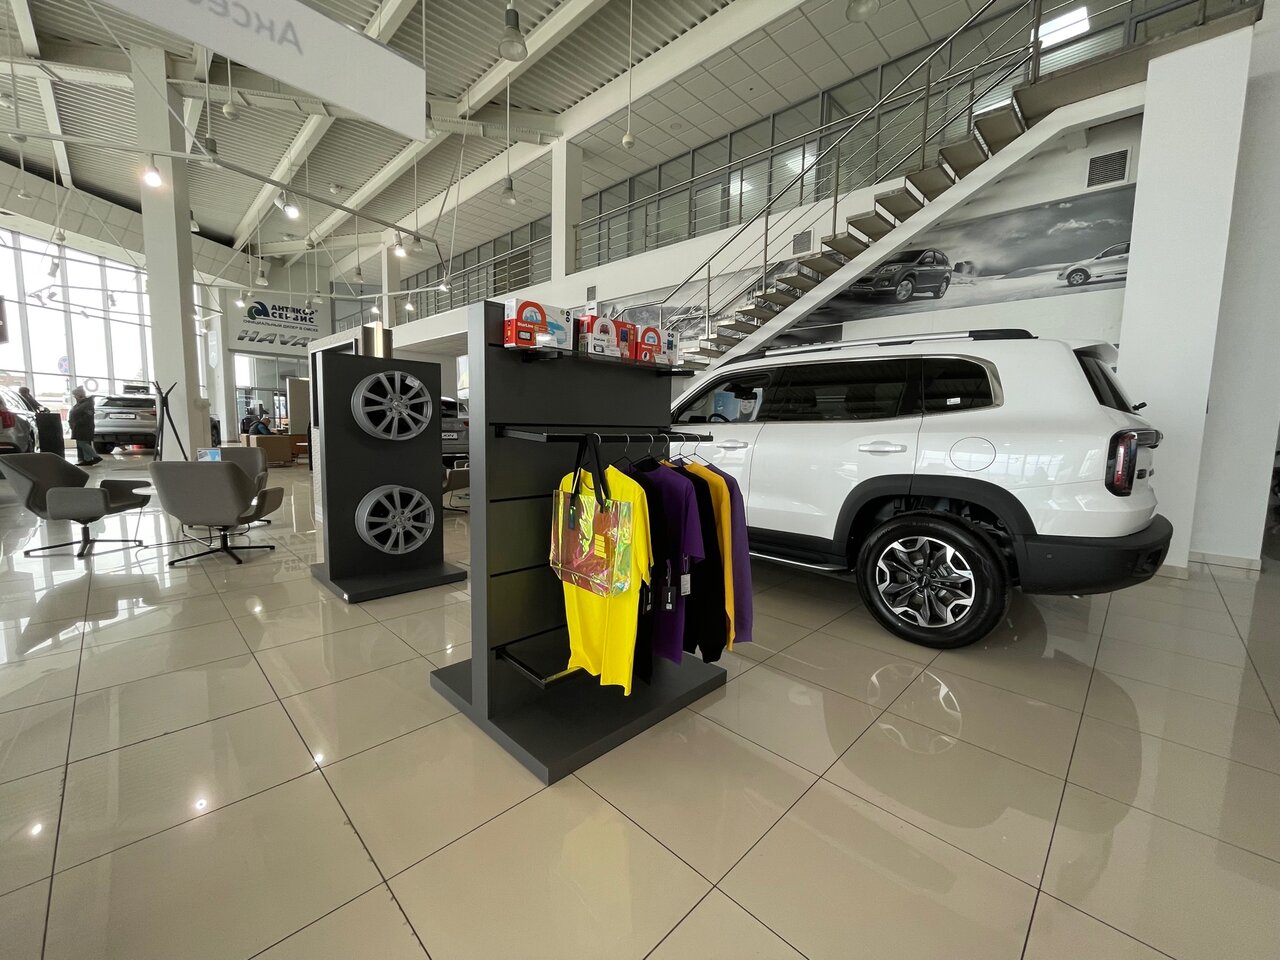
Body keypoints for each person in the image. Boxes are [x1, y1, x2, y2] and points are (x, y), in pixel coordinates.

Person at [68, 386, 101, 466]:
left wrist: (77, 422)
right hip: (79, 427)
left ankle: (95, 456)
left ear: (80, 395)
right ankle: (87, 460)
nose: (75, 397)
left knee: (82, 443)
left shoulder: (87, 404)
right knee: (84, 442)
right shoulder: (81, 404)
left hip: (84, 427)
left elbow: (88, 416)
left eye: (75, 395)